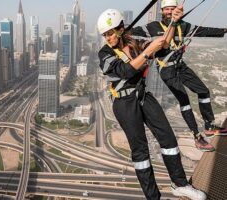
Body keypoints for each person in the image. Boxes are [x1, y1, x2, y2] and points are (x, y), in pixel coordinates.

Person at [97, 6, 206, 200]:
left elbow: (163, 44)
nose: (108, 38)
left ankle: (179, 184)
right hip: (124, 103)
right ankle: (153, 197)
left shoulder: (134, 42)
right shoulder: (104, 54)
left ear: (120, 29)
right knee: (141, 151)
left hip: (143, 96)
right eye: (105, 35)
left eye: (110, 33)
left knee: (169, 139)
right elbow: (125, 71)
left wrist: (173, 21)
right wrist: (148, 52)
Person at [132, 0, 227, 152]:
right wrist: (145, 47)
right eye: (166, 9)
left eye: (172, 9)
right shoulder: (153, 27)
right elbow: (131, 33)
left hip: (180, 66)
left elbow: (204, 30)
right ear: (162, 11)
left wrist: (225, 30)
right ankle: (197, 137)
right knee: (185, 102)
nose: (169, 12)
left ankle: (209, 126)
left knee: (204, 91)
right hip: (166, 69)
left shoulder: (183, 26)